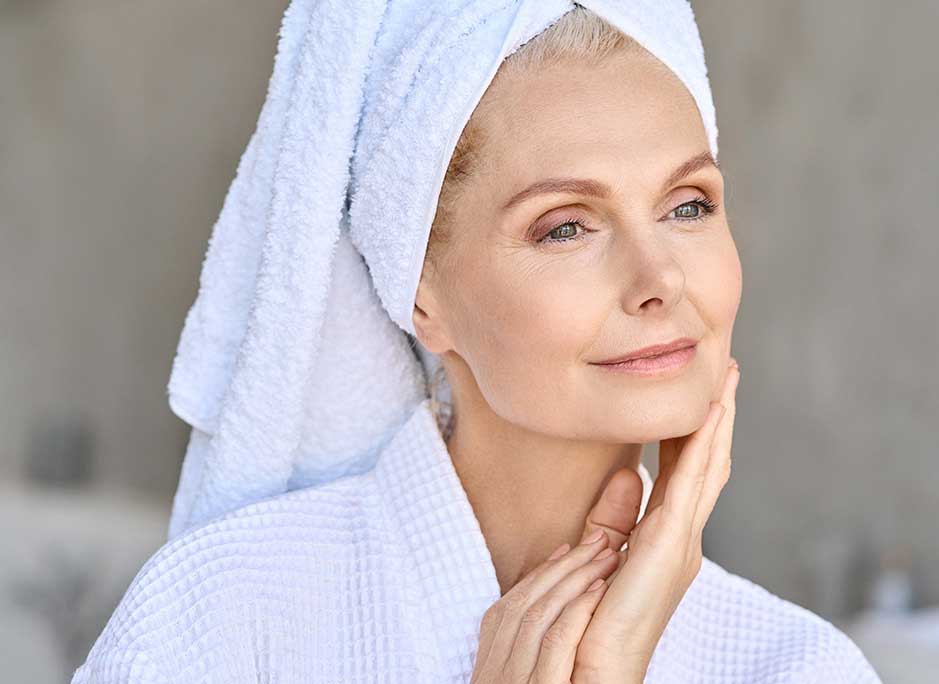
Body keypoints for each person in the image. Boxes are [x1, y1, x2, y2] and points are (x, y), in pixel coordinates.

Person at [72, 2, 882, 682]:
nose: (660, 279)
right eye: (566, 226)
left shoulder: (794, 666)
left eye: (688, 206)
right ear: (421, 295)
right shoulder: (225, 617)